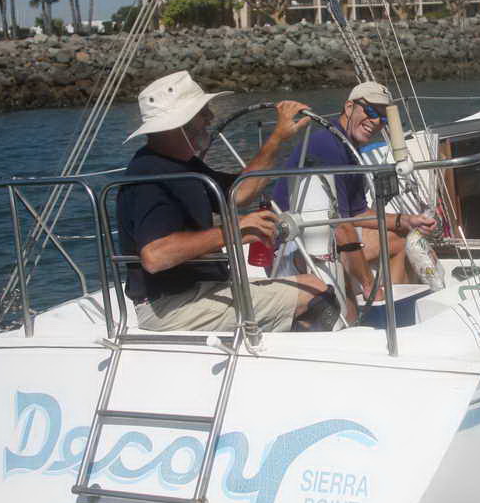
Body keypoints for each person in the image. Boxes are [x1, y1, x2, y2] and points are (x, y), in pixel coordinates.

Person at [117, 71, 340, 333]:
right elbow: (156, 255)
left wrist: (277, 138)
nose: (210, 117)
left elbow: (241, 193)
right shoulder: (150, 175)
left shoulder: (183, 165)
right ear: (180, 124)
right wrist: (235, 231)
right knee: (316, 295)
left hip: (199, 291)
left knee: (311, 284)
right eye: (202, 113)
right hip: (172, 306)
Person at [273, 81, 436, 303]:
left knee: (398, 238)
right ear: (349, 107)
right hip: (292, 247)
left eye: (382, 118)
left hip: (322, 235)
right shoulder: (327, 146)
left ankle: (393, 305)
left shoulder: (347, 147)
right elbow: (341, 226)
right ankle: (384, 307)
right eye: (370, 111)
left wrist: (405, 220)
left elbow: (357, 213)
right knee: (388, 244)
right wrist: (369, 285)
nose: (375, 121)